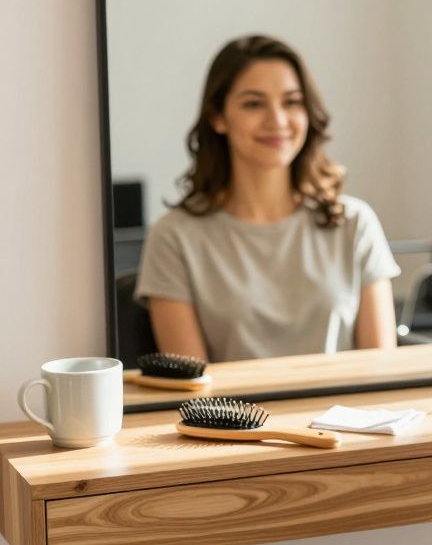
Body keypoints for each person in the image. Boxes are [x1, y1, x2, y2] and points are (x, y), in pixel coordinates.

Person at [136, 35, 400, 362]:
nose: (277, 120)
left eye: (291, 102)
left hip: (343, 413)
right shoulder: (173, 237)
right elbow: (193, 390)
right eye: (253, 104)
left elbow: (382, 369)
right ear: (218, 118)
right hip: (233, 414)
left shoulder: (355, 223)